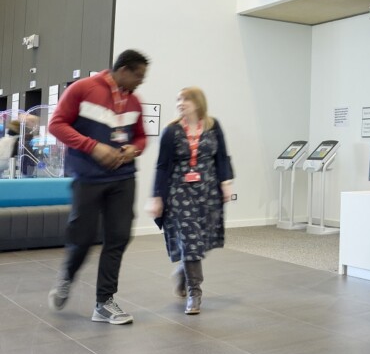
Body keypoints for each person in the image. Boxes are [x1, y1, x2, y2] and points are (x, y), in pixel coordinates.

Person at [47, 49, 149, 324]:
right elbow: (56, 125)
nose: (141, 81)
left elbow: (141, 137)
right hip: (88, 178)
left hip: (123, 177)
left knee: (118, 237)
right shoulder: (83, 88)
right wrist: (92, 147)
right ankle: (67, 276)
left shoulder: (135, 102)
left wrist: (132, 150)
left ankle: (104, 302)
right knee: (82, 239)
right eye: (138, 75)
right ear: (124, 70)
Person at [147, 87, 234, 315]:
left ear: (198, 103)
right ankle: (195, 293)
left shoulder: (213, 127)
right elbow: (162, 166)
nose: (180, 103)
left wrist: (226, 183)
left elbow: (222, 156)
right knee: (190, 239)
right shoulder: (171, 131)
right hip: (179, 192)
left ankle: (182, 271)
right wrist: (156, 196)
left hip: (208, 191)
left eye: (185, 99)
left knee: (201, 240)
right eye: (178, 99)